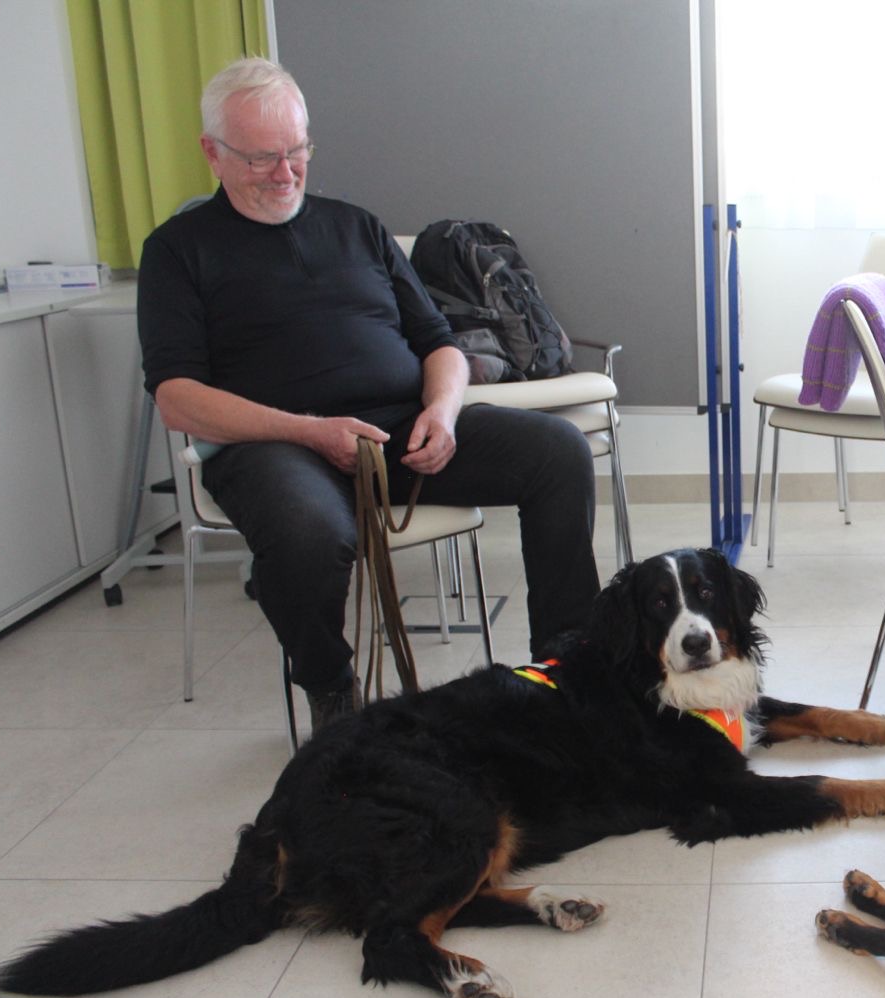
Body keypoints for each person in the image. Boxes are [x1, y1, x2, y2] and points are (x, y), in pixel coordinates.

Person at [140, 57, 601, 729]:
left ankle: (568, 672)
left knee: (558, 451)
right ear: (213, 154)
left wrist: (442, 412)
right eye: (262, 158)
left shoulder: (357, 227)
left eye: (297, 150)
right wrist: (309, 430)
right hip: (275, 446)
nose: (285, 172)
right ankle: (332, 690)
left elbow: (440, 343)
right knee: (310, 532)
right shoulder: (178, 250)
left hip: (400, 427)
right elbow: (177, 398)